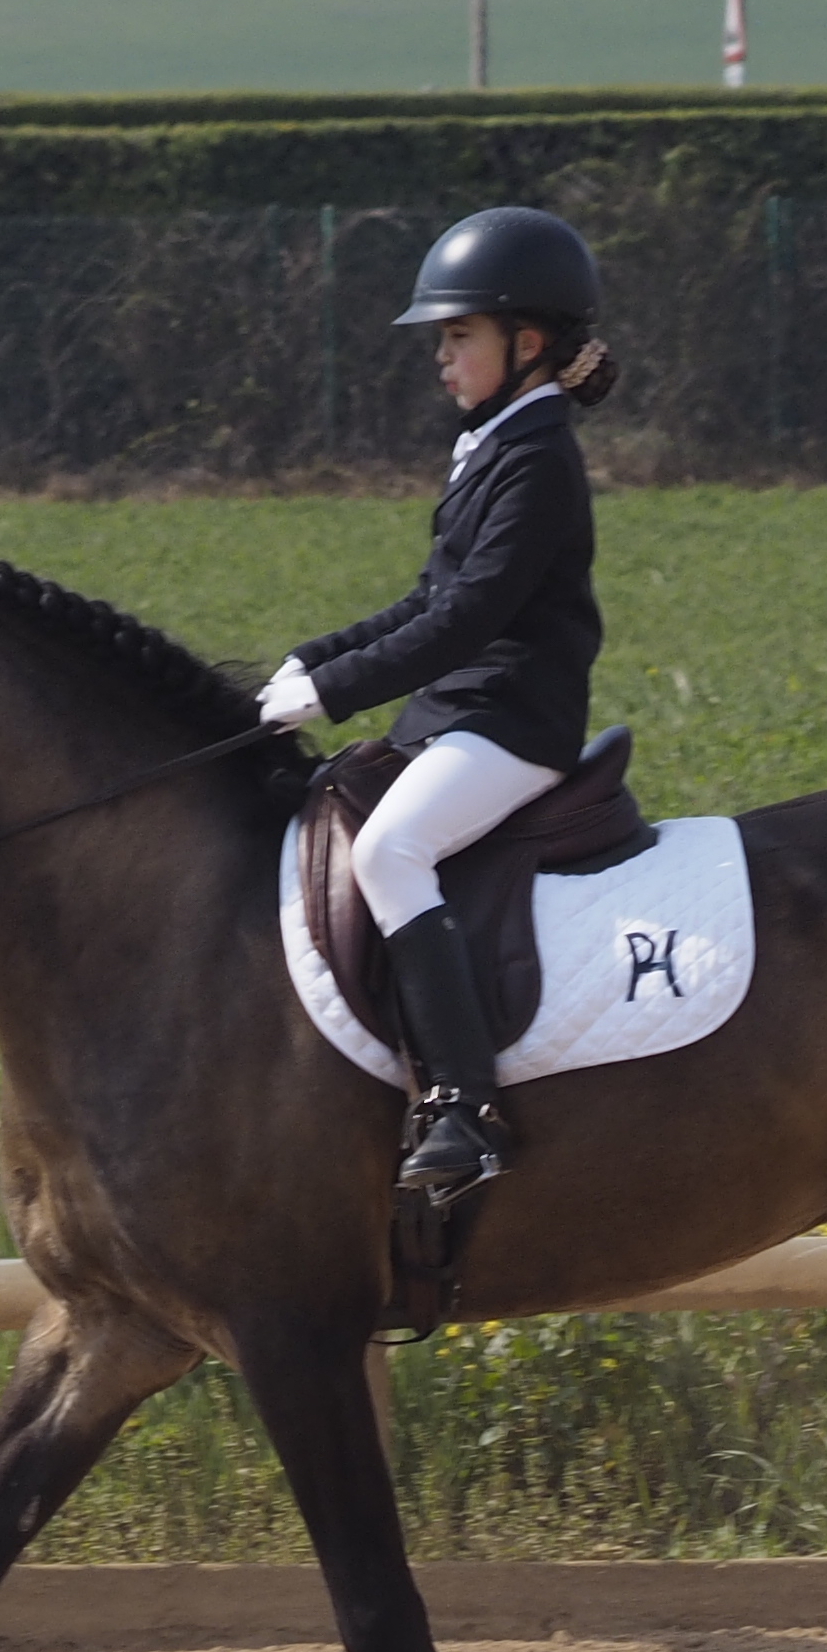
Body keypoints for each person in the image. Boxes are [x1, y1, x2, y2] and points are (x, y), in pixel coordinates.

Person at [261, 204, 614, 1208]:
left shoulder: (539, 458)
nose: (441, 357)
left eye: (458, 336)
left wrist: (330, 693)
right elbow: (426, 598)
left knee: (390, 852)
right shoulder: (492, 443)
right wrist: (308, 658)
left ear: (527, 342)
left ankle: (467, 1107)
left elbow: (466, 619)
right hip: (459, 715)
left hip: (511, 724)